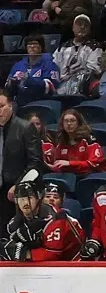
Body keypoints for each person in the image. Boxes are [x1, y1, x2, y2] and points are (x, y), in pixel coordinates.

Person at [2, 178, 84, 261]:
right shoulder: (15, 222)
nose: (25, 203)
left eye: (29, 198)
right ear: (16, 201)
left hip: (73, 261)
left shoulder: (56, 217)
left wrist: (24, 253)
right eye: (21, 199)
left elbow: (53, 254)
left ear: (38, 198)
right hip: (47, 262)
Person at [0, 92, 45, 231]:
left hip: (14, 189)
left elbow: (35, 163)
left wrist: (19, 184)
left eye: (1, 106)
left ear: (11, 106)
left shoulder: (25, 128)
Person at [52, 14, 102, 99]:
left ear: (89, 30)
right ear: (73, 28)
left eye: (86, 25)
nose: (82, 27)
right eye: (79, 24)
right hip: (61, 86)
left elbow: (93, 69)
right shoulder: (62, 47)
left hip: (83, 87)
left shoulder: (94, 47)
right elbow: (54, 66)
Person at [49, 108, 105, 175]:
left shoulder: (88, 139)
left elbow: (95, 163)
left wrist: (70, 163)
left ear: (79, 123)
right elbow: (60, 165)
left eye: (72, 121)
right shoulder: (61, 143)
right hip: (71, 178)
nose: (69, 123)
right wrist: (51, 167)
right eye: (66, 121)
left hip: (90, 176)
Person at [5, 35, 59, 104]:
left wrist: (28, 80)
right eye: (29, 44)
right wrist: (12, 83)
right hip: (20, 103)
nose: (32, 46)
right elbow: (8, 88)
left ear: (41, 47)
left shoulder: (50, 65)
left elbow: (52, 88)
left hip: (42, 103)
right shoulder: (18, 65)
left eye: (35, 43)